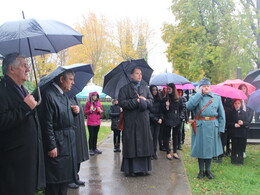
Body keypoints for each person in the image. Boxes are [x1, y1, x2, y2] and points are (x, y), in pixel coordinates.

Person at [0, 53, 45, 195]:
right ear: (11, 69)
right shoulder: (3, 90)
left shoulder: (22, 89)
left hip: (26, 159)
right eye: (24, 65)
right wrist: (25, 107)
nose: (28, 69)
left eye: (28, 66)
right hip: (13, 162)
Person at [38, 70, 78, 195]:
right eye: (70, 79)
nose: (73, 82)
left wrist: (74, 112)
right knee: (55, 181)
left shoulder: (63, 95)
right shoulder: (49, 94)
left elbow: (63, 117)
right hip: (58, 143)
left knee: (63, 181)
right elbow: (47, 123)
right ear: (61, 79)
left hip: (66, 142)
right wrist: (51, 146)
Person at [186, 78, 225, 179]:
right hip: (200, 126)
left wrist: (221, 128)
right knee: (201, 149)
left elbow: (221, 115)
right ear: (200, 88)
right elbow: (188, 106)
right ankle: (201, 171)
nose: (206, 88)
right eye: (204, 86)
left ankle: (208, 170)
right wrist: (199, 94)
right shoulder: (196, 97)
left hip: (213, 126)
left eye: (208, 86)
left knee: (210, 149)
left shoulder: (216, 97)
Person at [118, 67, 153, 176]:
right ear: (131, 75)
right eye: (137, 73)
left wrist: (145, 100)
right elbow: (122, 103)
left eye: (141, 73)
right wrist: (136, 101)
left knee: (144, 144)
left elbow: (151, 102)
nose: (139, 76)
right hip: (131, 122)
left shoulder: (145, 88)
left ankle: (143, 169)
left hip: (143, 121)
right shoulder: (124, 89)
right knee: (131, 145)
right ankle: (131, 169)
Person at [68, 96, 89, 189]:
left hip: (78, 129)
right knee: (71, 155)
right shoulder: (64, 97)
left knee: (78, 153)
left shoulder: (75, 96)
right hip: (71, 129)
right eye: (71, 80)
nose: (73, 83)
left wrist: (79, 109)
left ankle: (75, 176)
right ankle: (69, 179)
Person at [161, 83, 183, 160]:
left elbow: (181, 108)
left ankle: (175, 152)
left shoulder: (178, 99)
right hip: (167, 119)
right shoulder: (165, 99)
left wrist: (180, 117)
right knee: (167, 137)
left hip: (176, 120)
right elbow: (162, 110)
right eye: (168, 89)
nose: (168, 90)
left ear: (173, 89)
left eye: (170, 89)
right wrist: (166, 106)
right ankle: (168, 152)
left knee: (175, 136)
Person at [227, 99, 249, 165]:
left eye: (238, 103)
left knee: (241, 147)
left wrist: (243, 123)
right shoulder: (231, 113)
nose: (237, 105)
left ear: (241, 104)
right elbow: (228, 123)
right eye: (236, 103)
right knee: (234, 146)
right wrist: (234, 124)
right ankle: (233, 160)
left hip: (242, 133)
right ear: (233, 105)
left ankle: (240, 160)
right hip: (234, 133)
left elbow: (247, 122)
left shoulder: (244, 113)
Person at [84, 92, 104, 156]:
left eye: (96, 96)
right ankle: (90, 149)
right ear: (91, 96)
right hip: (90, 122)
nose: (95, 97)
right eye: (93, 96)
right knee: (91, 135)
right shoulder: (88, 103)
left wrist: (100, 110)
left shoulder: (98, 103)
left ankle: (95, 148)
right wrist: (90, 110)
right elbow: (85, 112)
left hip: (97, 122)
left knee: (95, 136)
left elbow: (102, 111)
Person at [149, 85, 163, 160]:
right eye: (153, 90)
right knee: (150, 137)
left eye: (156, 90)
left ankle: (154, 152)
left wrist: (160, 118)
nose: (154, 91)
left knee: (156, 137)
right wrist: (155, 119)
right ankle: (150, 153)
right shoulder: (149, 100)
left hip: (158, 121)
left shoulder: (159, 99)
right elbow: (148, 112)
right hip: (151, 121)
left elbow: (161, 110)